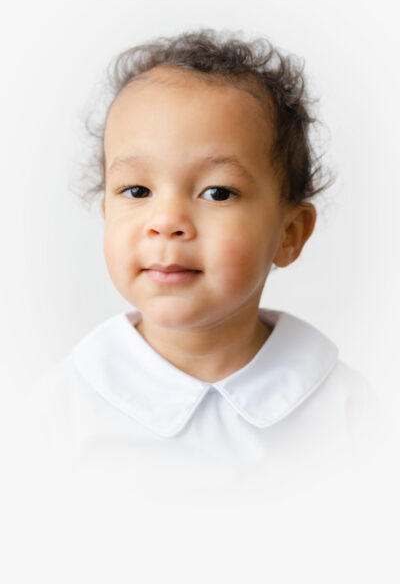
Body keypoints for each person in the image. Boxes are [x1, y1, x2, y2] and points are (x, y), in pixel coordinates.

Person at [23, 28, 382, 496]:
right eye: (137, 191)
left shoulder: (342, 406)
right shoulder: (61, 408)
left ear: (290, 234)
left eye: (218, 192)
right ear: (106, 210)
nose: (167, 222)